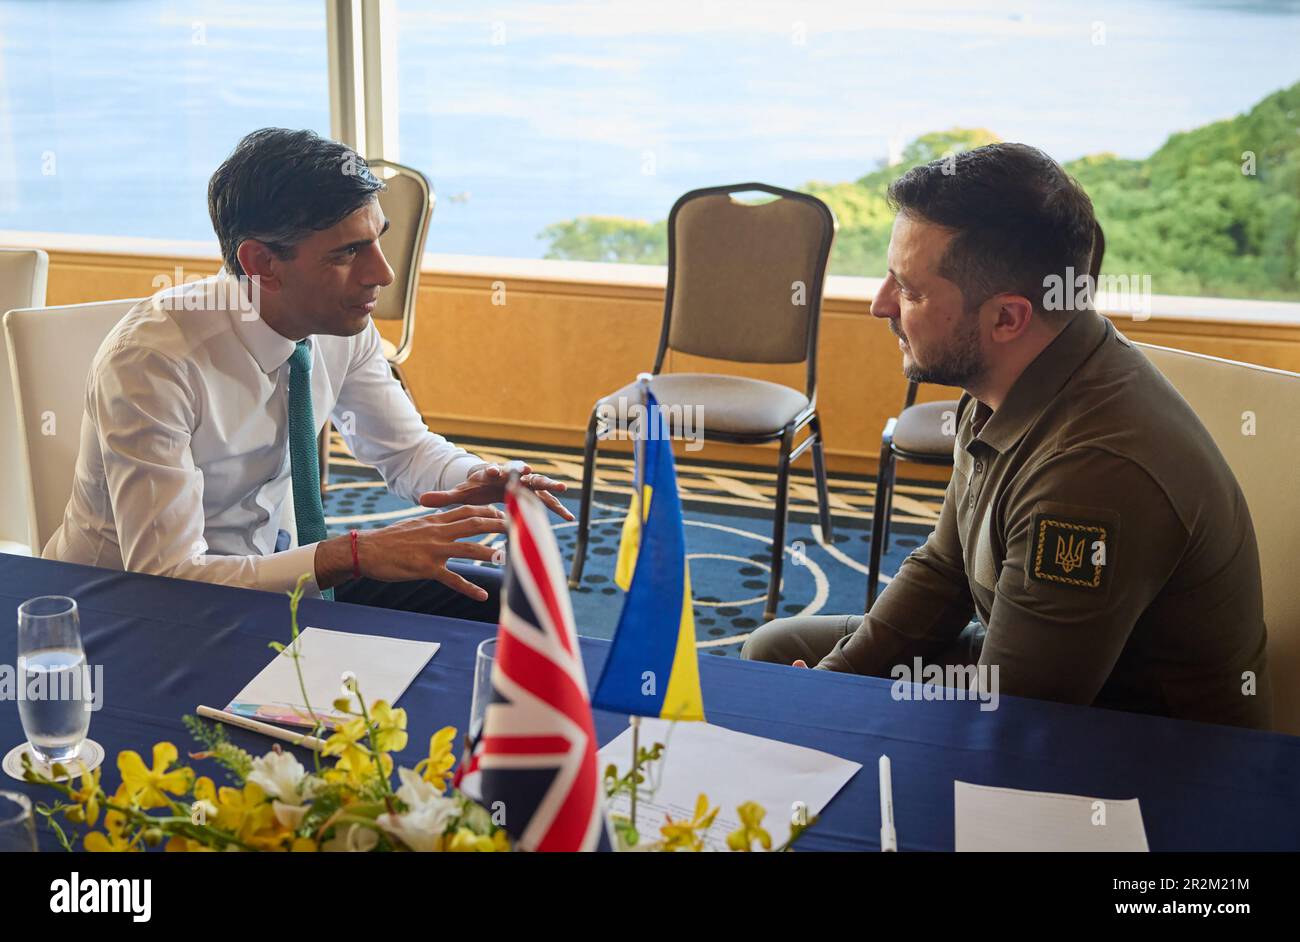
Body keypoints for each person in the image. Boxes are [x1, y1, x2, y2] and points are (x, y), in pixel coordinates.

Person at [742, 143, 1272, 730]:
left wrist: (836, 716)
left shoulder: (1093, 475)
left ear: (1006, 318)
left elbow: (1014, 722)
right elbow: (945, 568)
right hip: (1037, 672)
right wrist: (835, 682)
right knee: (775, 654)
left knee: (800, 714)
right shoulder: (1010, 375)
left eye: (911, 291)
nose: (879, 305)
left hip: (1144, 750)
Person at [45, 128, 572, 622]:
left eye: (377, 240)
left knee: (518, 603)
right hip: (127, 609)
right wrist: (353, 554)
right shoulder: (153, 363)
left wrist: (467, 478)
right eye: (348, 253)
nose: (382, 275)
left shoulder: (340, 321)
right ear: (262, 264)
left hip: (275, 574)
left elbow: (406, 451)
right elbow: (170, 576)